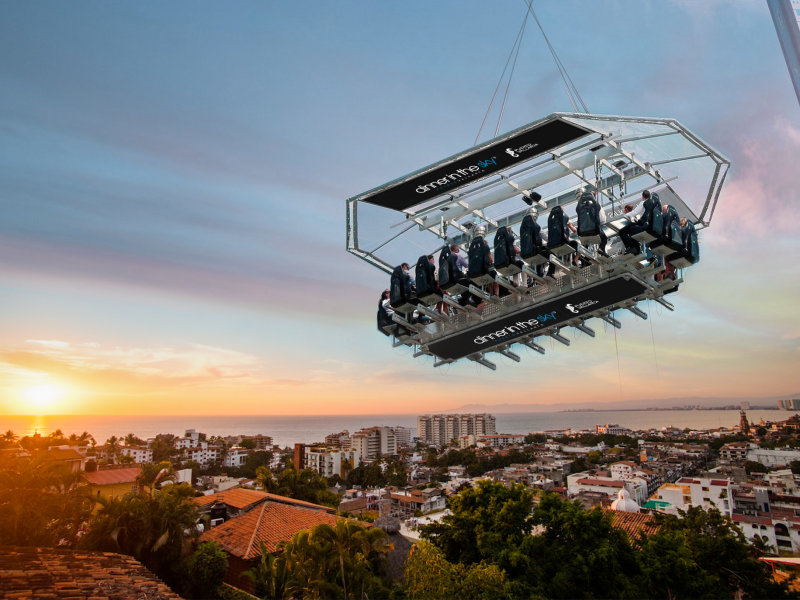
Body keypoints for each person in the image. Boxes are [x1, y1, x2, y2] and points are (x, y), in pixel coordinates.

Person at [618, 190, 650, 255]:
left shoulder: (643, 203)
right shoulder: (652, 205)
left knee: (622, 231)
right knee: (632, 232)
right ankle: (636, 249)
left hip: (642, 226)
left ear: (643, 197)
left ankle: (630, 248)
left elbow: (635, 212)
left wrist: (623, 216)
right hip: (648, 227)